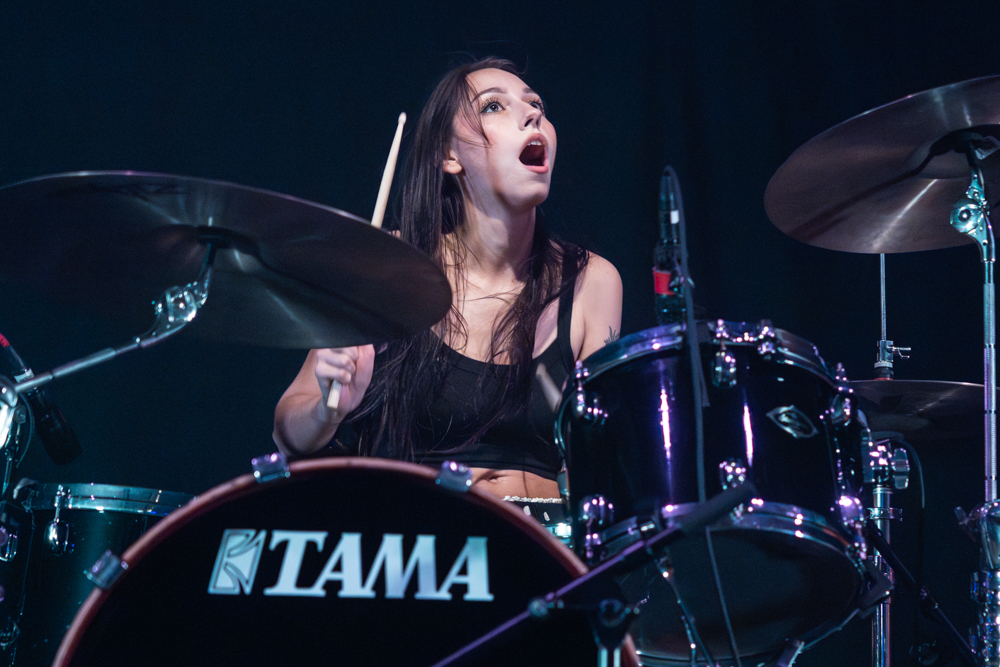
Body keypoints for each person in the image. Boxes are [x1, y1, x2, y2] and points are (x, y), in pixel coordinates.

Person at [273, 57, 622, 502]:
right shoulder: (384, 265)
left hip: (538, 538)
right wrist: (329, 410)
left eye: (536, 104)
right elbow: (289, 435)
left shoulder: (592, 280)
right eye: (493, 106)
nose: (532, 114)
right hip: (417, 529)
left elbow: (599, 458)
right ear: (449, 156)